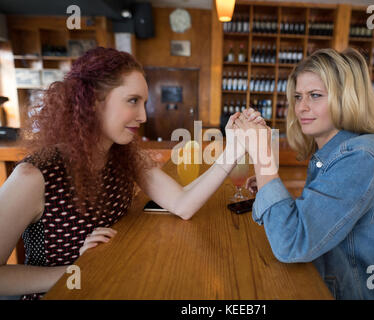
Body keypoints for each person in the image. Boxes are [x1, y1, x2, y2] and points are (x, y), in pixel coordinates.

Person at [0, 47, 263, 299]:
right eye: (133, 101)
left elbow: (183, 204)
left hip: (113, 283)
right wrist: (74, 271)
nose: (143, 116)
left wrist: (234, 148)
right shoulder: (33, 177)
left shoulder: (124, 155)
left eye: (144, 102)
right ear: (91, 102)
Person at [236, 48, 374, 299]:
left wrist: (261, 155)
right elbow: (317, 223)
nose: (302, 107)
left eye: (315, 95)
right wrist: (269, 187)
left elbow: (292, 243)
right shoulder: (334, 151)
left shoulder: (359, 156)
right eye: (298, 97)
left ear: (345, 99)